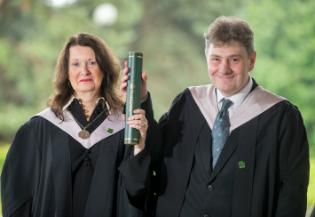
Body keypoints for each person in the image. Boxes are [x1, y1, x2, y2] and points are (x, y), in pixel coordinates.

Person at [121, 16, 310, 217]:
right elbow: (155, 153)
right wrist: (140, 99)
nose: (224, 69)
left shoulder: (280, 117)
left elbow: (292, 195)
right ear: (206, 57)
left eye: (234, 59)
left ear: (251, 60)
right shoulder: (189, 103)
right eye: (216, 59)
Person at [1, 33, 155, 217]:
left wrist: (139, 146)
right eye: (75, 64)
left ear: (104, 69)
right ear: (66, 72)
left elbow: (138, 190)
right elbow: (17, 193)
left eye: (92, 62)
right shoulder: (40, 128)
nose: (84, 71)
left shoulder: (125, 127)